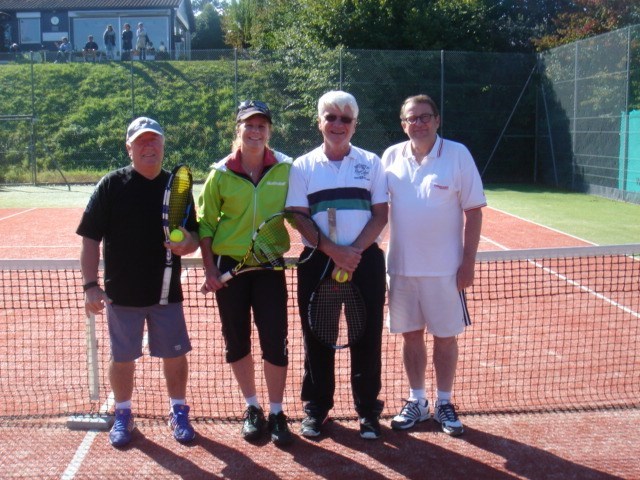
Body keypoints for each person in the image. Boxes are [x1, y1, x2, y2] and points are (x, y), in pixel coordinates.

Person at [77, 117, 199, 448]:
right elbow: (90, 238)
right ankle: (123, 414)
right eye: (141, 141)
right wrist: (90, 285)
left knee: (175, 356)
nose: (149, 146)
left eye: (154, 140)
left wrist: (186, 243)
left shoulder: (177, 187)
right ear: (129, 147)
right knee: (122, 358)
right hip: (122, 294)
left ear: (163, 145)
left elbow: (194, 235)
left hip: (166, 292)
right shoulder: (111, 185)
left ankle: (178, 411)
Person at [285, 91, 388, 440]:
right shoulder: (302, 166)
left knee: (367, 335)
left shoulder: (371, 163)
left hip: (365, 259)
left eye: (345, 119)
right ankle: (316, 409)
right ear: (319, 122)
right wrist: (334, 251)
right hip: (317, 261)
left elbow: (380, 215)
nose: (338, 124)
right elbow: (299, 217)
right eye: (331, 117)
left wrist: (353, 252)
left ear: (355, 124)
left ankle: (368, 411)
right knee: (318, 335)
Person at [381, 94, 485, 437]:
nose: (419, 123)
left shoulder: (458, 154)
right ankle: (417, 401)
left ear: (437, 120)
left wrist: (467, 263)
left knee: (445, 338)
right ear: (403, 124)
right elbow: (380, 211)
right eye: (412, 118)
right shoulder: (391, 156)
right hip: (401, 270)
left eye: (425, 117)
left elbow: (474, 212)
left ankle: (444, 402)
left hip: (445, 272)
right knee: (410, 336)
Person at [198, 101, 294, 446]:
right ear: (238, 129)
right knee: (237, 340)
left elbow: (299, 211)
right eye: (249, 125)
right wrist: (210, 268)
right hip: (230, 268)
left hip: (269, 265)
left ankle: (277, 412)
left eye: (261, 126)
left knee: (275, 341)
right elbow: (206, 224)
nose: (255, 132)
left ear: (269, 131)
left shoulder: (286, 168)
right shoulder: (220, 173)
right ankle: (252, 407)